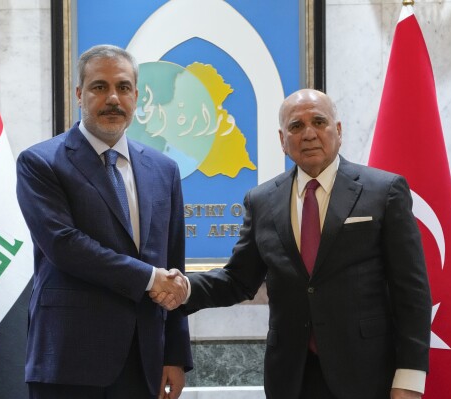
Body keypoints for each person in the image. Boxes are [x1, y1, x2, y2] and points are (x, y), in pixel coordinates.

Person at [152, 89, 432, 399]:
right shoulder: (261, 201)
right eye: (296, 126)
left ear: (338, 131)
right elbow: (238, 280)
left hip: (367, 375)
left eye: (319, 122)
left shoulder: (384, 191)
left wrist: (409, 379)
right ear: (283, 140)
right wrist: (184, 288)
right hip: (291, 378)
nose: (309, 134)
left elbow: (412, 292)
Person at [16, 44, 192, 399]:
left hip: (144, 360)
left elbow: (174, 261)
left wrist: (174, 354)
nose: (113, 97)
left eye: (123, 87)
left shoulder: (164, 170)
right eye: (100, 87)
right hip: (69, 360)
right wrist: (149, 278)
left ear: (137, 96)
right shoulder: (40, 163)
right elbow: (64, 246)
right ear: (80, 94)